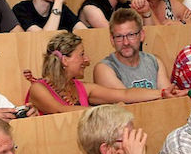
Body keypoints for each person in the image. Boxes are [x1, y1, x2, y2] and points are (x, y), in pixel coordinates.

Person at [26, 32, 163, 114]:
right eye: (82, 55)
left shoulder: (83, 88)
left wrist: (162, 93)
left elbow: (125, 94)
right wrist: (107, 111)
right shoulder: (38, 89)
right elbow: (61, 111)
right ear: (65, 60)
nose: (87, 60)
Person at [93, 8, 184, 97]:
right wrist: (161, 94)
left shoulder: (154, 62)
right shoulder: (104, 68)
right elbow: (127, 99)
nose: (126, 42)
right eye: (119, 37)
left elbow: (168, 99)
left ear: (142, 35)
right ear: (112, 40)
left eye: (131, 35)